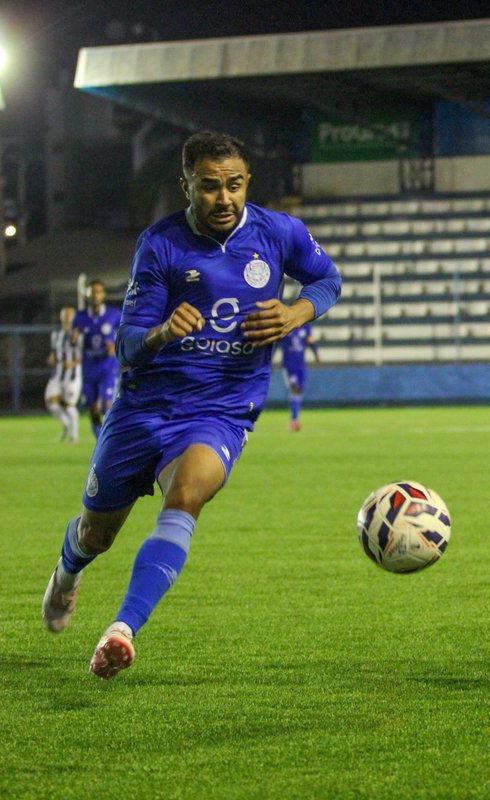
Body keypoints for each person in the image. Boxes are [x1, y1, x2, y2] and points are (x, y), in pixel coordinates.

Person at [41, 131, 342, 680]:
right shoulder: (161, 245)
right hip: (144, 408)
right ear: (187, 187)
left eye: (234, 185)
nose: (224, 198)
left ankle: (121, 630)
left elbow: (328, 278)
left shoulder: (278, 233)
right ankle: (66, 571)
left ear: (247, 182)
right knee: (96, 534)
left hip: (221, 410)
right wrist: (161, 331)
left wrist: (297, 313)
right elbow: (126, 345)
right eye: (209, 187)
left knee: (186, 497)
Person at [72, 280, 122, 437]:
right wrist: (73, 338)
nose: (95, 295)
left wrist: (115, 346)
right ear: (88, 295)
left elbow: (126, 334)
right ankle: (100, 439)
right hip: (89, 368)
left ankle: (113, 439)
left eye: (98, 291)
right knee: (93, 409)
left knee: (107, 405)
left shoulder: (114, 315)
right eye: (92, 292)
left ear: (103, 294)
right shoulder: (80, 317)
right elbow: (73, 339)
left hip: (107, 366)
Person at [45, 305, 83, 443]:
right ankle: (67, 424)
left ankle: (74, 437)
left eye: (70, 315)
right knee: (51, 402)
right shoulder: (56, 335)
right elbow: (55, 352)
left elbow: (86, 354)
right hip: (58, 374)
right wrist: (52, 358)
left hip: (73, 375)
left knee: (69, 405)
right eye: (64, 315)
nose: (67, 318)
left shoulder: (80, 334)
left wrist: (73, 363)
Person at [279, 322, 320, 431]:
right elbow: (275, 344)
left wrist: (316, 355)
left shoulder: (306, 327)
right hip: (288, 365)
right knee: (295, 389)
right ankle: (294, 421)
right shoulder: (285, 326)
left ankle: (294, 419)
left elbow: (311, 342)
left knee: (299, 390)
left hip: (300, 365)